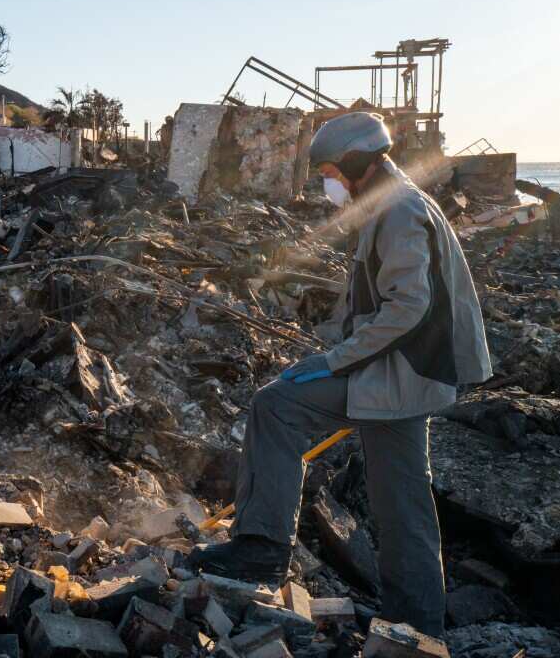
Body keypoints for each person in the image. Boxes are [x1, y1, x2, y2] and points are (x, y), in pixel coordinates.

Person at [188, 112, 492, 637]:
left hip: (400, 374)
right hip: (407, 376)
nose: (327, 181)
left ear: (354, 162)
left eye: (330, 169)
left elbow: (407, 306)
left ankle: (260, 549)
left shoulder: (398, 210)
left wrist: (334, 361)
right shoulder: (392, 201)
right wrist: (339, 342)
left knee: (275, 406)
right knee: (402, 500)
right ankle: (415, 627)